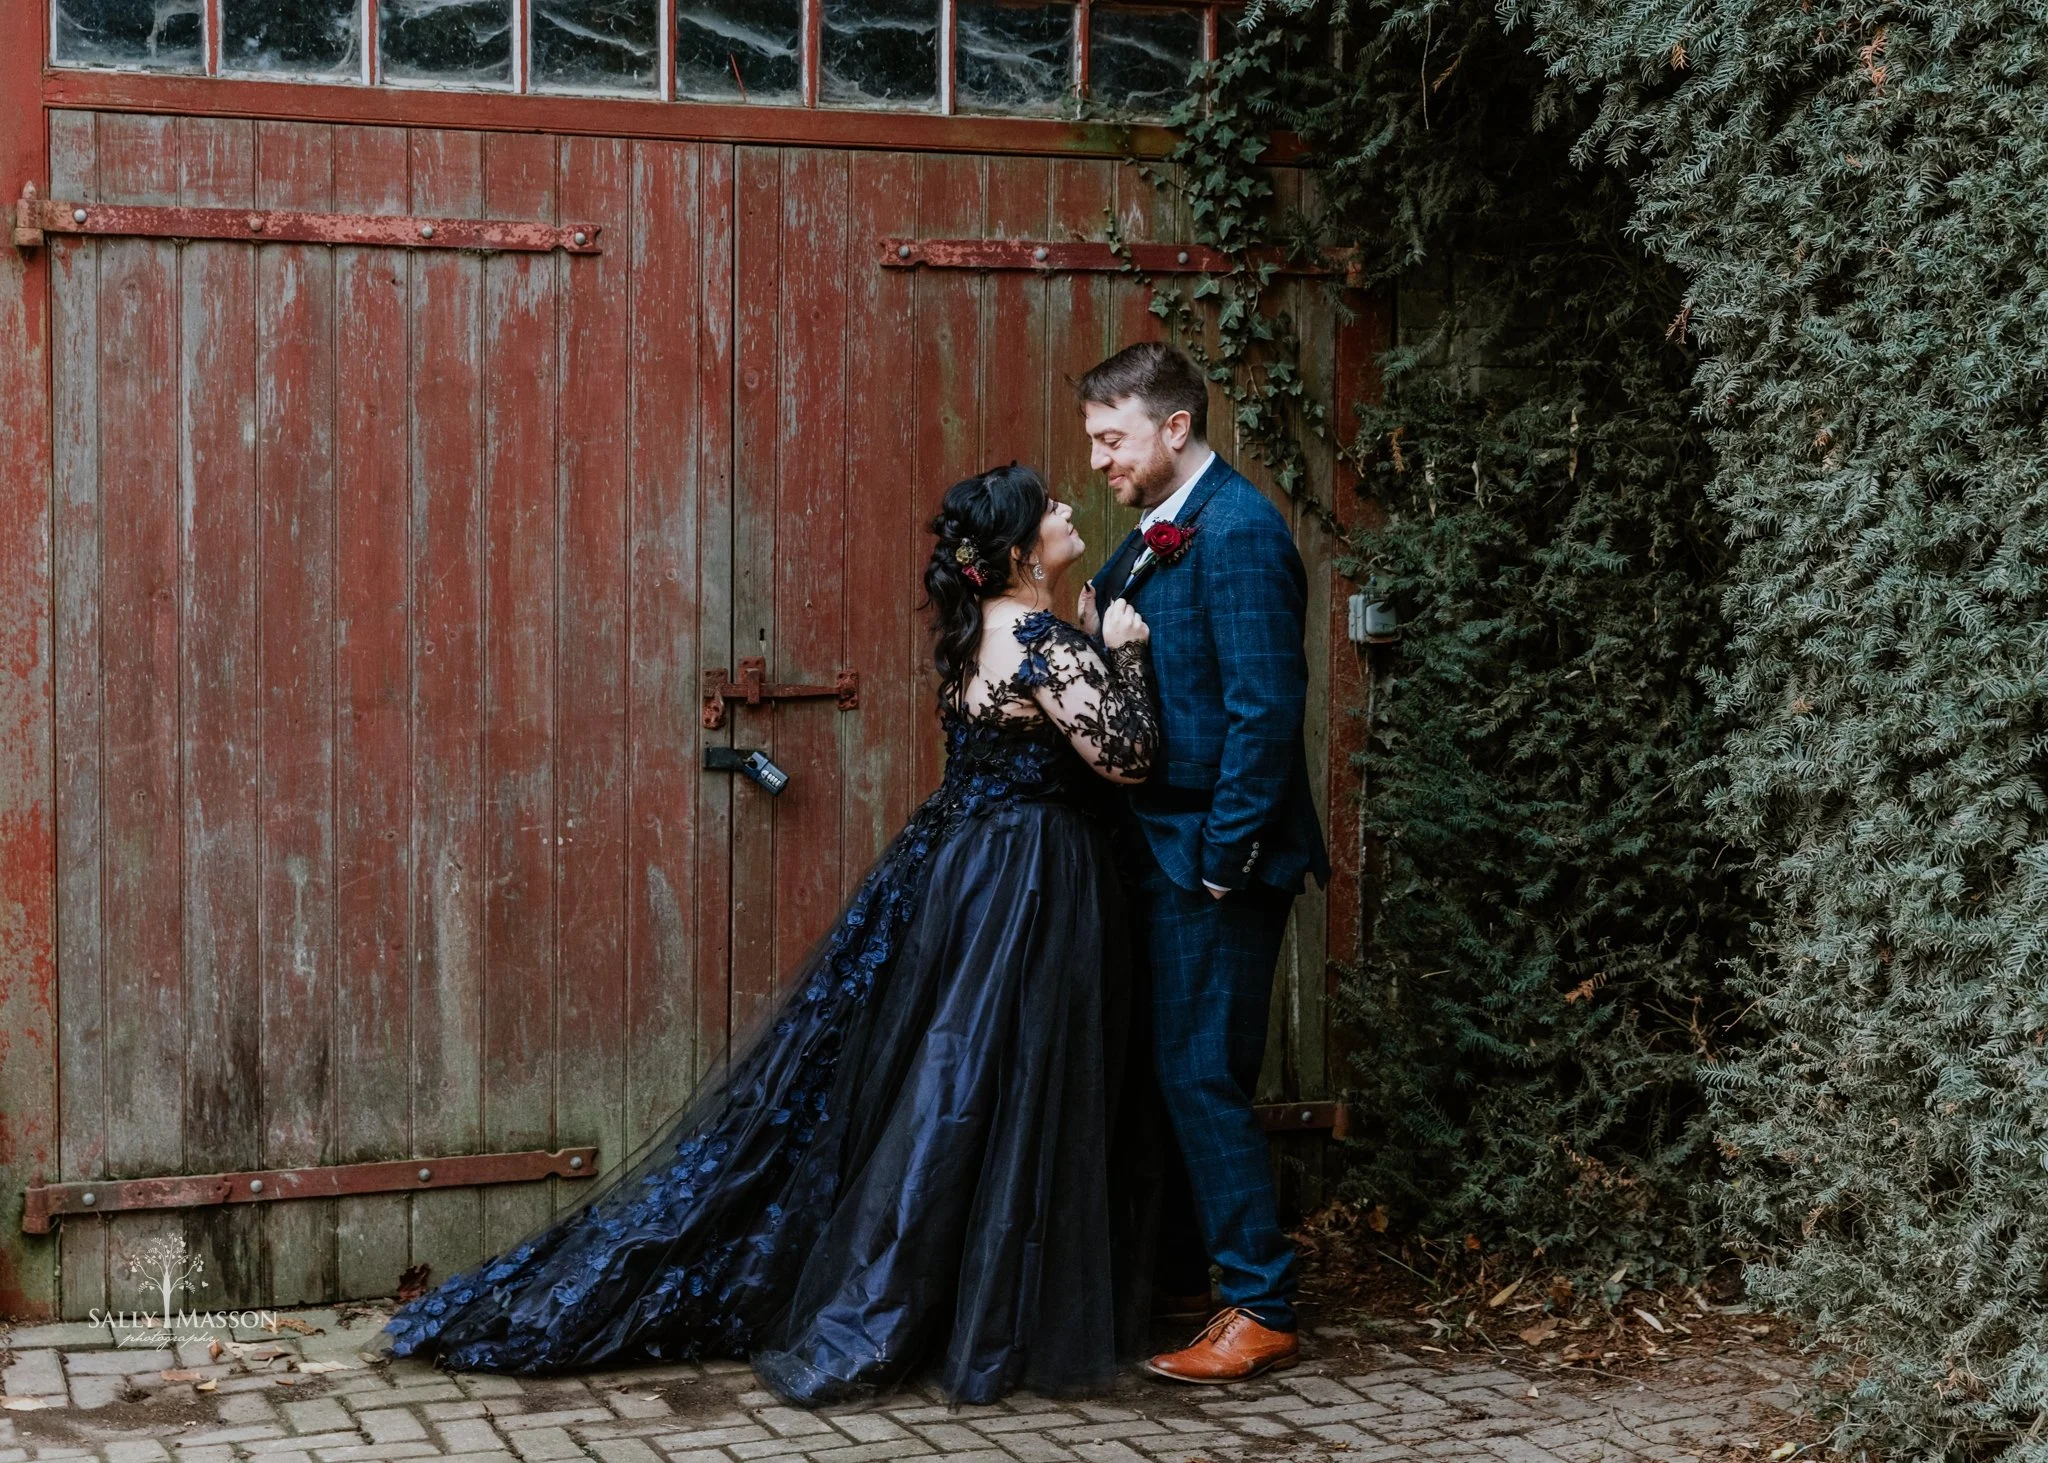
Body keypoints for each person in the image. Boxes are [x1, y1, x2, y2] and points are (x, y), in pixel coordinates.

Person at [380, 464, 1160, 1406]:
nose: (1072, 509)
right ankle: (979, 1304)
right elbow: (1128, 757)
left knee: (963, 1080)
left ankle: (964, 1292)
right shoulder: (1041, 639)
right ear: (1020, 550)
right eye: (1053, 508)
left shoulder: (981, 637)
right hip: (1026, 881)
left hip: (966, 870)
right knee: (999, 1079)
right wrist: (1123, 651)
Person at [1076, 342, 1331, 1384]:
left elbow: (1263, 711)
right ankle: (1197, 1269)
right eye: (1092, 439)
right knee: (1171, 1068)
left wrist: (1224, 857)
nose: (1096, 459)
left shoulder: (1239, 531)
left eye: (1111, 437)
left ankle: (1259, 1303)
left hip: (1215, 855)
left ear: (1173, 426)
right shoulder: (1153, 533)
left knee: (1201, 1070)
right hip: (1156, 846)